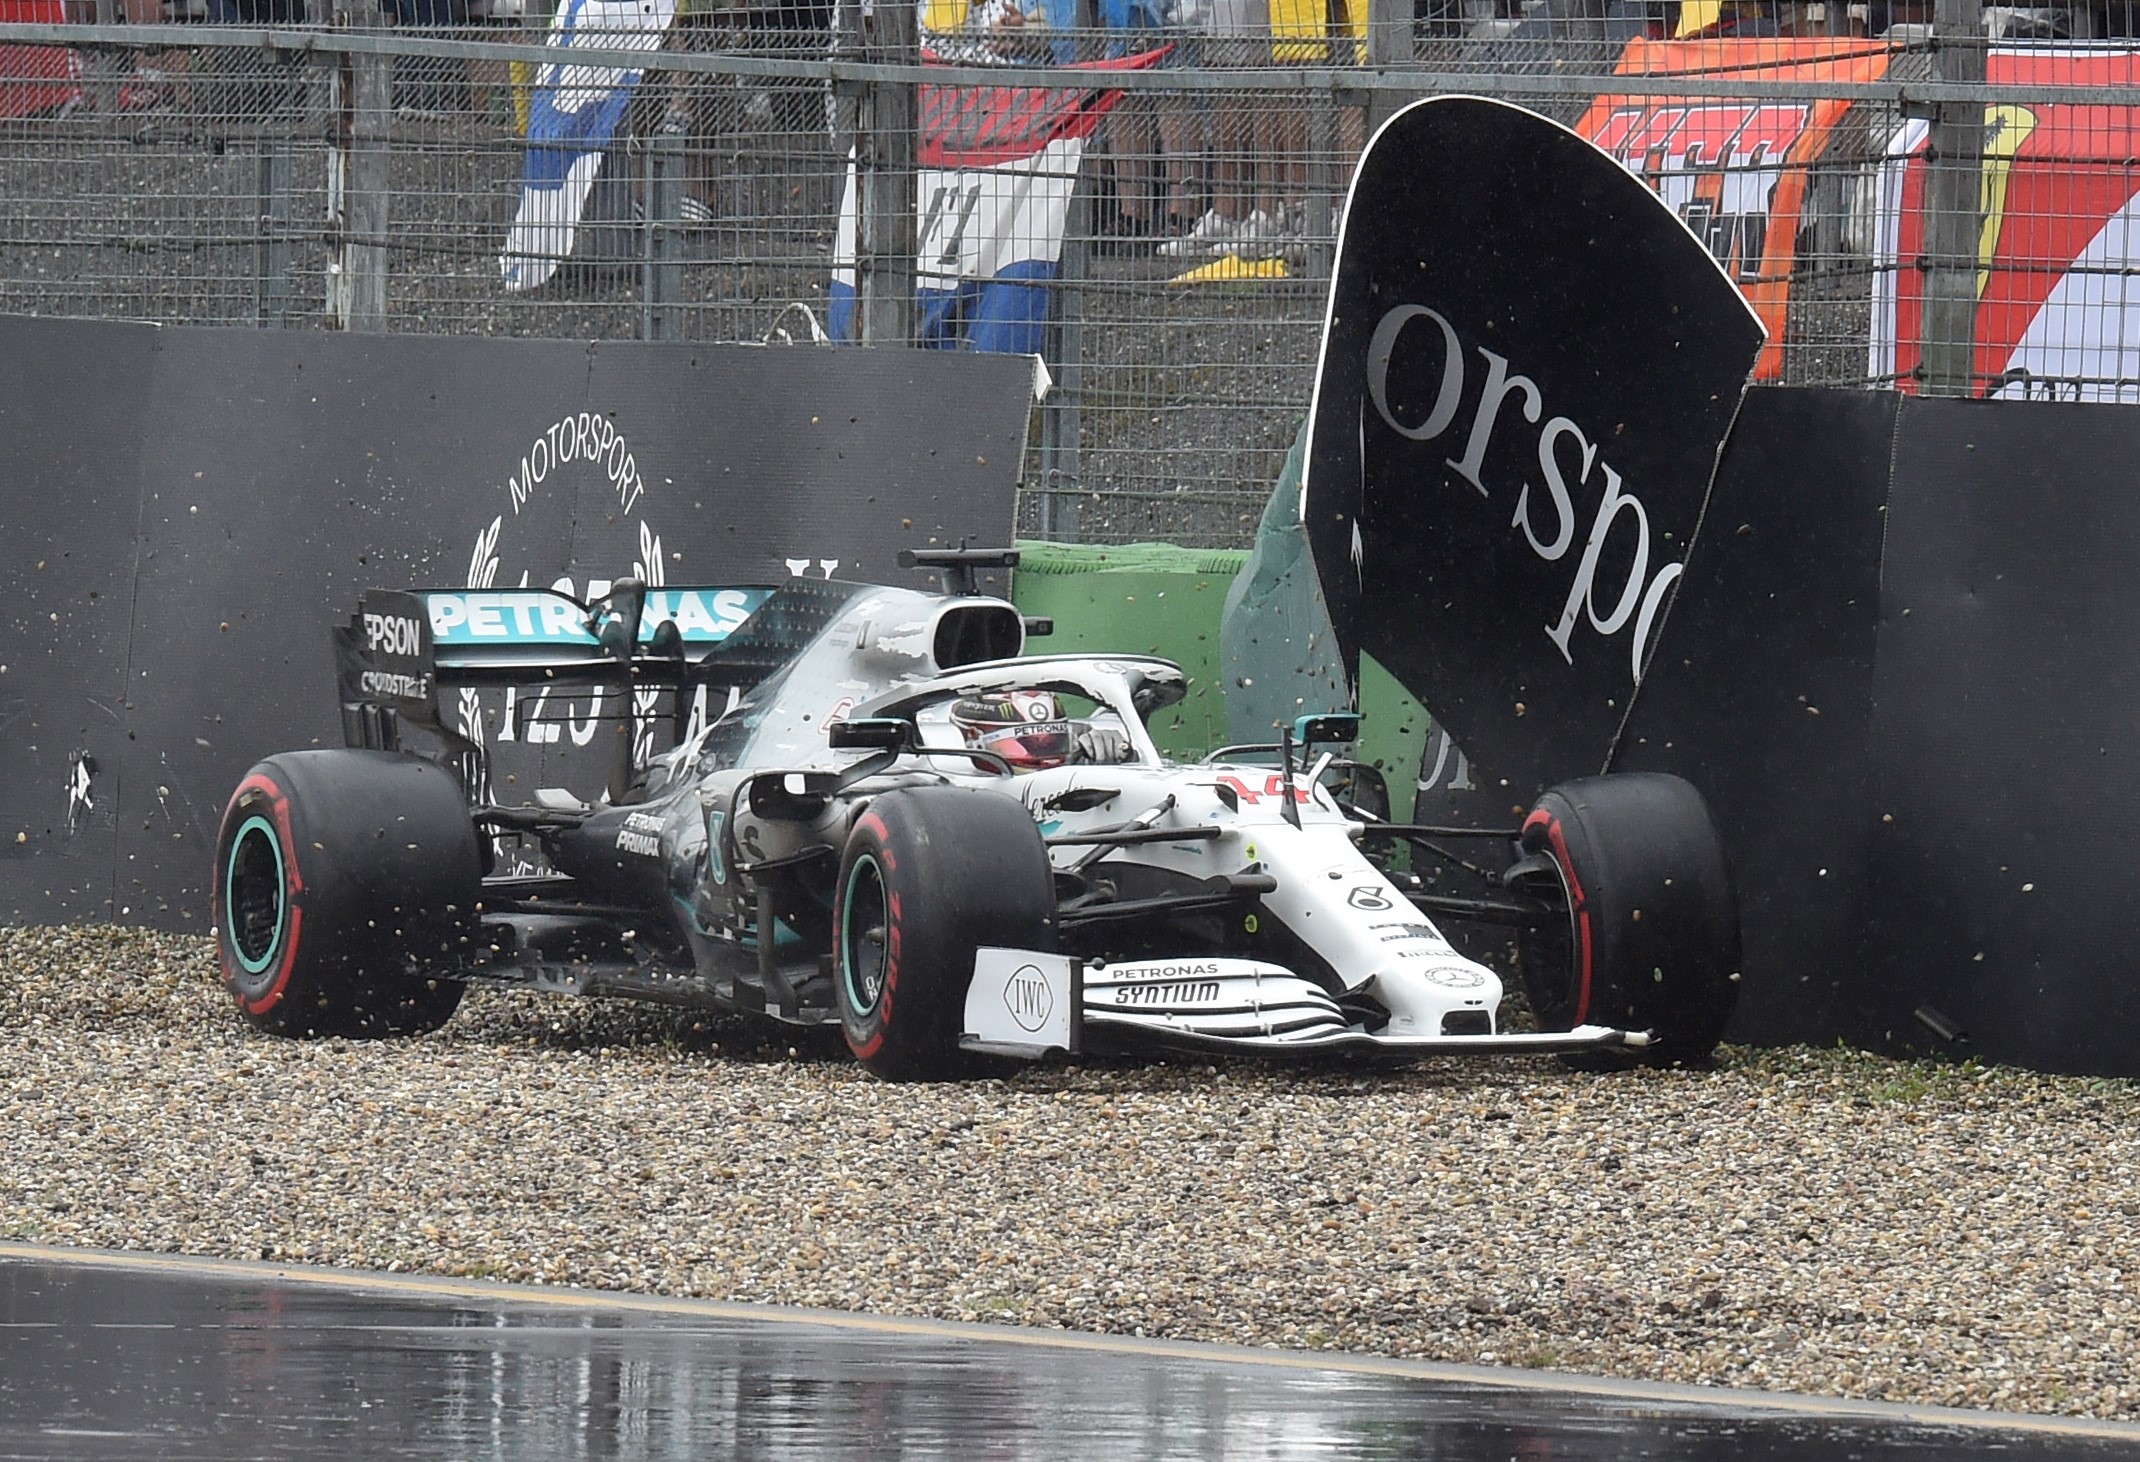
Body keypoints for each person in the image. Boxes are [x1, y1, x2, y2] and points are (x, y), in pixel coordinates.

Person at [949, 691, 1137, 771]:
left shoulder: (1080, 755)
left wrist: (1125, 758)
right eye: (1022, 744)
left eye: (1053, 743)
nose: (1043, 760)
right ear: (974, 740)